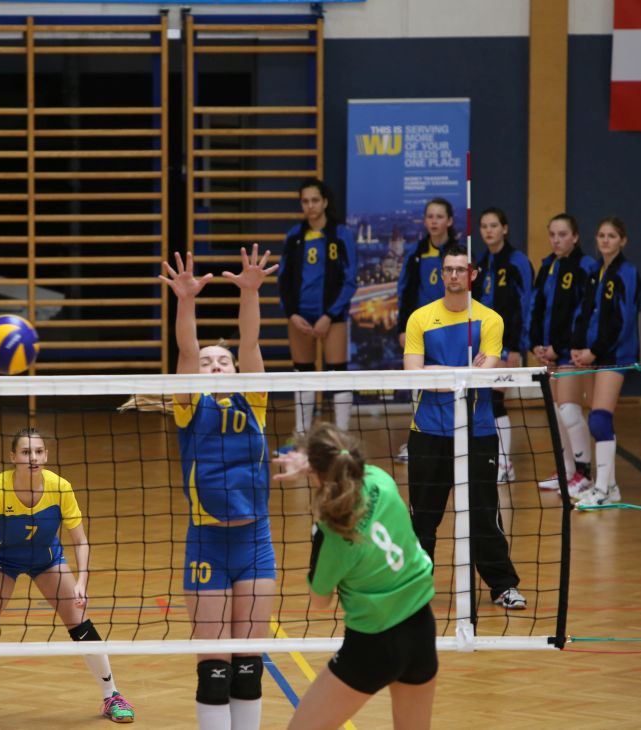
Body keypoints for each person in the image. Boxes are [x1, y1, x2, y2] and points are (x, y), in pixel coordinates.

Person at [0, 428, 135, 726]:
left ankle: (112, 695)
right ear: (13, 457)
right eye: (25, 452)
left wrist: (82, 581)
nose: (32, 458)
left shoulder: (60, 488)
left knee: (81, 625)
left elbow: (81, 540)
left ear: (45, 456)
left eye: (38, 452)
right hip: (1, 561)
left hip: (46, 560)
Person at [159, 245, 279, 730]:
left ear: (235, 370)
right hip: (207, 542)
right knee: (214, 672)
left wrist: (249, 292)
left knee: (248, 667)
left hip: (255, 542)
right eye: (208, 362)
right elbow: (187, 352)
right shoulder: (189, 407)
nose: (213, 366)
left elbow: (250, 343)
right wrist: (186, 301)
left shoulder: (255, 400)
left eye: (221, 362)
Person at [274, 423, 437, 730]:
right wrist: (317, 467)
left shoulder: (334, 532)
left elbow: (320, 601)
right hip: (421, 628)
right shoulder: (381, 480)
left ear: (318, 472)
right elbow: (345, 469)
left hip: (374, 644)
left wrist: (318, 523)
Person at [403, 244, 525, 610]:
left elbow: (484, 377)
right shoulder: (420, 318)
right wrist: (463, 373)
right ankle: (414, 588)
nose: (454, 275)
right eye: (448, 269)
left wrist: (442, 373)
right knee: (423, 518)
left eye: (460, 269)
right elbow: (414, 374)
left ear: (471, 274)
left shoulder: (490, 320)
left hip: (477, 431)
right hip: (428, 431)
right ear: (441, 274)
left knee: (484, 515)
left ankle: (503, 586)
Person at [277, 178, 358, 444]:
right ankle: (301, 434)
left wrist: (329, 315)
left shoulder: (341, 234)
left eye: (314, 200)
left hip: (332, 317)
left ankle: (342, 436)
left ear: (324, 202)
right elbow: (283, 279)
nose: (310, 206)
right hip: (300, 316)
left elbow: (350, 280)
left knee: (337, 372)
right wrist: (292, 314)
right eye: (305, 201)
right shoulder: (294, 236)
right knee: (303, 372)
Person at [570, 217, 641, 507]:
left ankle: (603, 491)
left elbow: (622, 320)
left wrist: (596, 350)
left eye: (612, 236)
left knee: (600, 418)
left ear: (623, 240)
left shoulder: (627, 272)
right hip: (593, 353)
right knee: (595, 419)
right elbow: (584, 313)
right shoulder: (595, 271)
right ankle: (609, 487)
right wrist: (578, 347)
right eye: (601, 235)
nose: (605, 240)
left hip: (614, 354)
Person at [529, 213, 599, 496]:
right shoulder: (548, 266)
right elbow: (536, 306)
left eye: (562, 235)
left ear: (575, 237)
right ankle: (567, 471)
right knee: (557, 413)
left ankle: (584, 473)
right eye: (552, 235)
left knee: (569, 409)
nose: (556, 240)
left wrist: (561, 347)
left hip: (571, 352)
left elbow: (582, 313)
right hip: (550, 353)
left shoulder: (585, 266)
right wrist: (536, 344)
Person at [394, 198, 460, 462]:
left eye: (439, 216)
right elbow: (405, 291)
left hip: (452, 329)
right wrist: (403, 328)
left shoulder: (458, 253)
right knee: (419, 385)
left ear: (449, 221)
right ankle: (419, 440)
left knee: (452, 385)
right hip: (422, 330)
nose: (434, 221)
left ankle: (455, 438)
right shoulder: (416, 253)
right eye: (430, 216)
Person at [472, 207, 535, 483]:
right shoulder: (482, 261)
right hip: (482, 345)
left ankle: (505, 463)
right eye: (484, 226)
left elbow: (526, 305)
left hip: (506, 345)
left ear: (505, 229)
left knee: (496, 400)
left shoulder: (517, 262)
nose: (488, 231)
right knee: (483, 401)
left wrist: (517, 346)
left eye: (494, 225)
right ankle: (492, 459)